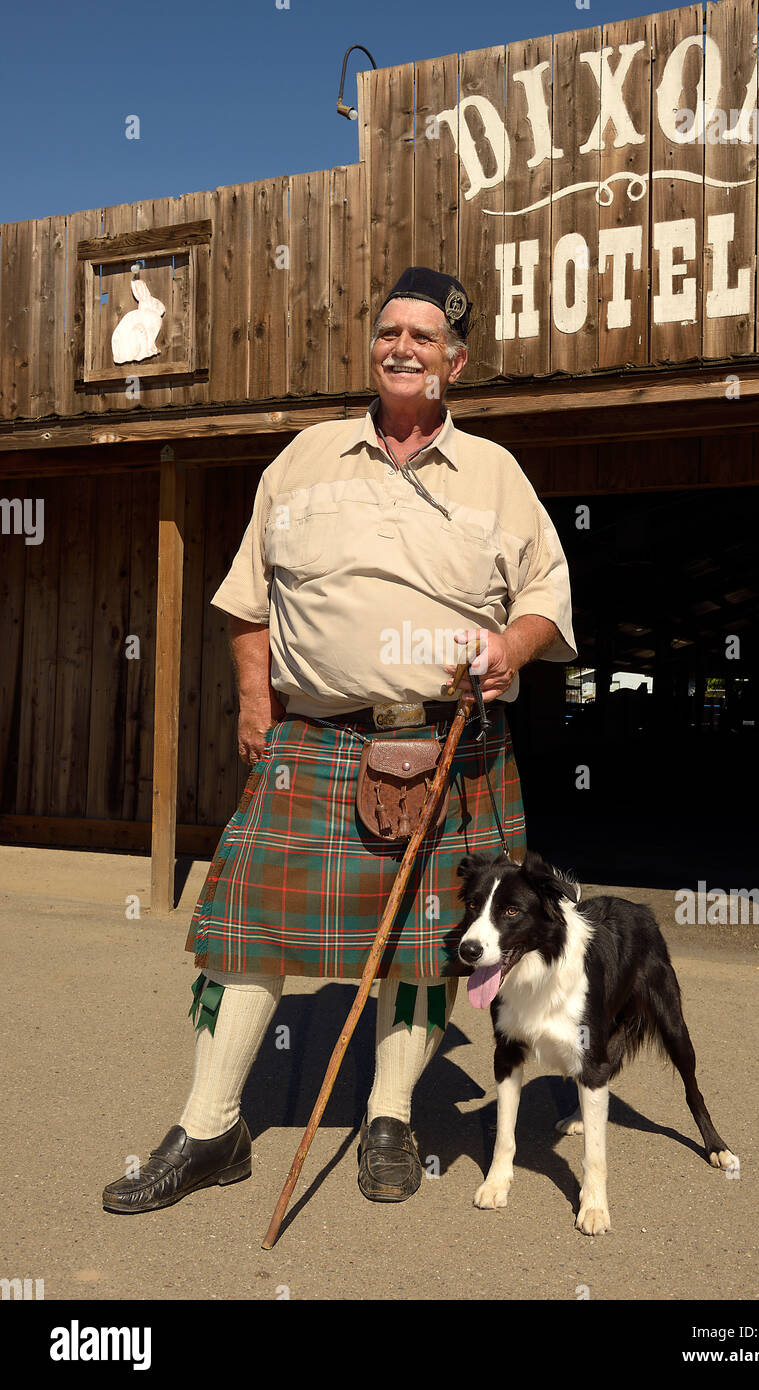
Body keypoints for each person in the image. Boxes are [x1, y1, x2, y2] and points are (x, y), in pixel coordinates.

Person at [102, 266, 576, 1213]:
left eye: (423, 336)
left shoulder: (496, 474)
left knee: (429, 944)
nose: (402, 347)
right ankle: (209, 1129)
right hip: (317, 743)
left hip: (451, 744)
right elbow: (248, 600)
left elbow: (545, 598)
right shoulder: (305, 456)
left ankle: (390, 1117)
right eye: (388, 330)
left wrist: (509, 644)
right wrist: (252, 704)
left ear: (456, 360)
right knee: (245, 939)